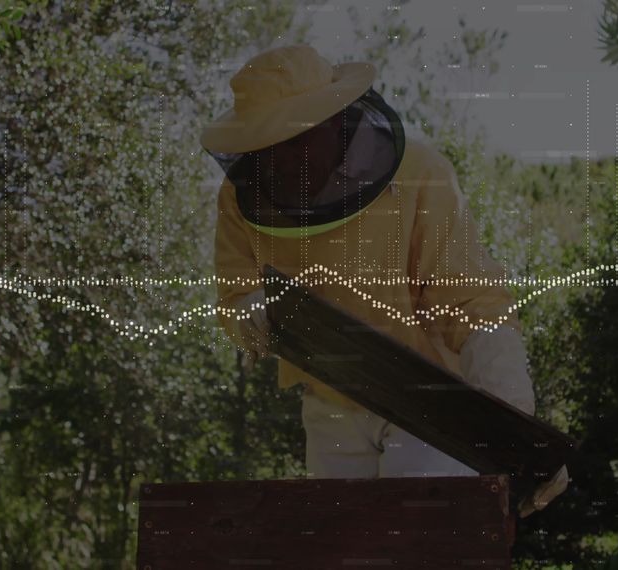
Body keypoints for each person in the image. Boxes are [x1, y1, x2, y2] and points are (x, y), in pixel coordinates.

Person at [201, 44, 567, 515]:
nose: (285, 160)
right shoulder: (240, 198)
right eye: (269, 144)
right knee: (343, 551)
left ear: (333, 119)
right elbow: (234, 297)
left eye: (295, 139)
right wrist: (251, 315)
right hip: (329, 403)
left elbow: (472, 301)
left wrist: (517, 429)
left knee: (416, 543)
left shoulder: (420, 173)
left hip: (430, 408)